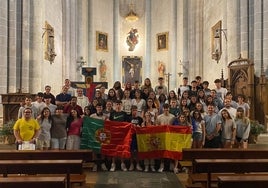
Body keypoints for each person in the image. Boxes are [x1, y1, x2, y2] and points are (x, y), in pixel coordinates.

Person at [155, 104, 175, 173]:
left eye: (167, 108)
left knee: (170, 150)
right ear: (163, 109)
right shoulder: (159, 117)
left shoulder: (173, 117)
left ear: (169, 109)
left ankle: (171, 164)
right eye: (165, 108)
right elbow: (156, 126)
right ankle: (162, 164)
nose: (166, 110)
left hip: (170, 136)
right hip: (162, 136)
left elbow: (175, 127)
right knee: (162, 151)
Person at [109, 100, 128, 172]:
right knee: (114, 149)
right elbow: (109, 123)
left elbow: (126, 123)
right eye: (117, 104)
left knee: (121, 148)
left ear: (121, 105)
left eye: (119, 104)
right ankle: (113, 164)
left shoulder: (124, 113)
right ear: (115, 105)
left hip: (122, 134)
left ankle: (122, 164)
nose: (118, 105)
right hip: (114, 134)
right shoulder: (112, 113)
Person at [127, 105, 143, 171]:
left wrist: (140, 127)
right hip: (131, 136)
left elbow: (143, 127)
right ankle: (131, 164)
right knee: (131, 151)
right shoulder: (128, 118)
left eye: (135, 110)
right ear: (131, 111)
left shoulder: (140, 119)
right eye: (133, 110)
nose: (134, 112)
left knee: (137, 151)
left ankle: (137, 164)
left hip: (138, 137)